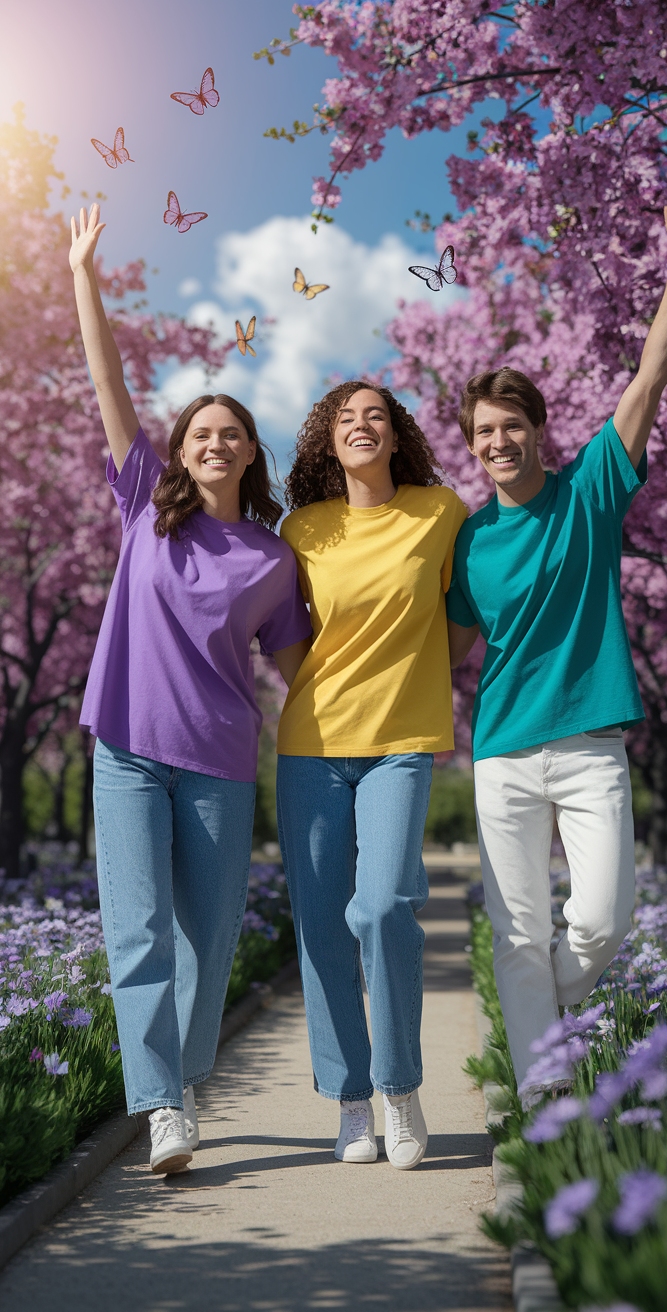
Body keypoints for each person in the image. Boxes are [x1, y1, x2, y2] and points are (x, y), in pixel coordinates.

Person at [446, 178, 667, 1107]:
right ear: (473, 446)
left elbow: (649, 377)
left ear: (539, 430)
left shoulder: (591, 493)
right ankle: (542, 1102)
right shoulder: (469, 541)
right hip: (505, 755)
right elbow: (441, 649)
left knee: (600, 921)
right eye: (483, 433)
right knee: (516, 932)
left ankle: (543, 1021)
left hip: (592, 742)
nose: (498, 441)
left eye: (511, 425)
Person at [70, 204, 312, 1173]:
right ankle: (164, 1106)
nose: (214, 442)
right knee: (137, 934)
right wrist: (84, 274)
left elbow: (302, 670)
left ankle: (181, 1065)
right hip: (126, 748)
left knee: (207, 940)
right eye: (200, 432)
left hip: (216, 761)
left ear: (252, 453)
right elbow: (107, 385)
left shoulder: (271, 558)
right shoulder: (145, 510)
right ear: (180, 452)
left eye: (231, 433)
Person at [276, 382, 467, 1168]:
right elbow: (289, 641)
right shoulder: (301, 530)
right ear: (327, 441)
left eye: (375, 416)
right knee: (322, 926)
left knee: (384, 906)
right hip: (312, 745)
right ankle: (352, 1098)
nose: (361, 425)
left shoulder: (440, 511)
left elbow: (460, 620)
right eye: (345, 418)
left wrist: (415, 675)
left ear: (397, 436)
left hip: (402, 740)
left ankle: (399, 1086)